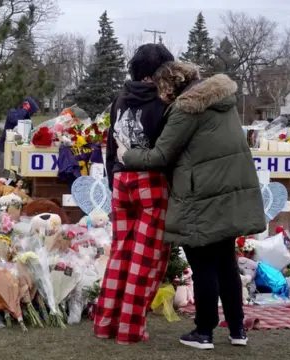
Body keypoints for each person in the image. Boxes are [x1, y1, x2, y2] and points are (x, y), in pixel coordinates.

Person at [115, 61, 266, 350]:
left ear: (170, 85)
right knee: (226, 264)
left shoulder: (186, 109)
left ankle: (204, 332)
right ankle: (237, 330)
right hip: (229, 193)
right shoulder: (223, 101)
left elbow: (161, 155)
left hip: (200, 197)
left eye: (160, 88)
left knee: (203, 264)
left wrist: (127, 154)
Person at [93, 43, 175, 345]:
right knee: (146, 257)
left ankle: (106, 323)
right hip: (151, 182)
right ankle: (130, 328)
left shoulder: (119, 100)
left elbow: (111, 146)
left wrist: (114, 176)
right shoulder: (164, 101)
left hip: (120, 180)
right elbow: (169, 149)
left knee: (121, 252)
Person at [0, 97, 39, 178]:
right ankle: (1, 190)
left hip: (17, 151)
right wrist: (24, 109)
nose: (32, 114)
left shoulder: (28, 120)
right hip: (5, 149)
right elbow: (15, 119)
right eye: (31, 111)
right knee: (3, 175)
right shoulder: (12, 112)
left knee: (20, 176)